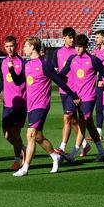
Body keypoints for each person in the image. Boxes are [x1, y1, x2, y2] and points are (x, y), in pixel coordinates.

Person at [13, 36, 69, 177]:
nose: (24, 48)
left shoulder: (45, 64)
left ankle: (25, 168)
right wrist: (12, 71)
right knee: (37, 137)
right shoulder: (26, 64)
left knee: (30, 134)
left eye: (26, 46)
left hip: (42, 104)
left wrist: (73, 95)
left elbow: (59, 81)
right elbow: (19, 81)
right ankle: (55, 156)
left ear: (33, 47)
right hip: (30, 105)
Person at [58, 34, 104, 163]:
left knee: (83, 122)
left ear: (86, 46)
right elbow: (61, 74)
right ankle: (102, 152)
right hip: (76, 96)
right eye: (76, 47)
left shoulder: (93, 60)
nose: (77, 49)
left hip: (89, 97)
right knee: (87, 123)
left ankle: (72, 154)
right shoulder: (72, 59)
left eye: (80, 47)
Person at [0, 36, 27, 169]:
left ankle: (17, 160)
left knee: (16, 133)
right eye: (7, 46)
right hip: (7, 104)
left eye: (12, 46)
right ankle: (24, 149)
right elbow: (1, 79)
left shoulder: (23, 63)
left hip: (20, 104)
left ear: (16, 46)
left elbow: (21, 81)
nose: (10, 49)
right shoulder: (4, 62)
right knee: (7, 135)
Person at [51, 27, 84, 160]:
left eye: (73, 37)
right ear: (64, 37)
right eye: (70, 37)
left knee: (67, 118)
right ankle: (86, 144)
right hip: (63, 90)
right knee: (74, 120)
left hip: (75, 90)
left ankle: (62, 147)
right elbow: (55, 70)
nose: (72, 40)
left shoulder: (77, 52)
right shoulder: (57, 52)